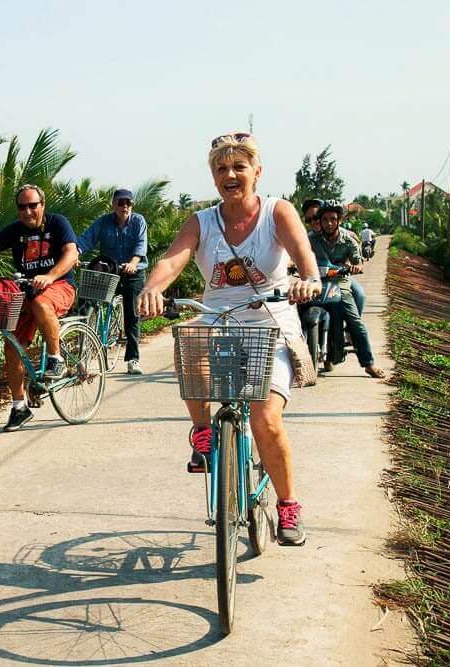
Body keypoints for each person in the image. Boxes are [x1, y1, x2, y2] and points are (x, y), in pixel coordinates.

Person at [138, 133, 322, 546]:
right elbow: (173, 259)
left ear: (257, 172)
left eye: (239, 166)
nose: (231, 175)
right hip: (218, 318)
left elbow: (303, 253)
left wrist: (308, 279)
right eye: (221, 168)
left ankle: (288, 504)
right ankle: (203, 432)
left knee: (264, 418)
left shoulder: (277, 212)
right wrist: (152, 288)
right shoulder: (202, 222)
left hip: (270, 320)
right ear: (213, 176)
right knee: (189, 338)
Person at [0, 184, 79, 432]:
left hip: (60, 285)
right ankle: (19, 407)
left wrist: (50, 276)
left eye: (33, 206)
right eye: (22, 207)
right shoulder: (14, 230)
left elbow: (71, 254)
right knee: (11, 345)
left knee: (41, 303)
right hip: (26, 291)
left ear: (42, 205)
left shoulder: (57, 223)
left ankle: (55, 359)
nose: (27, 211)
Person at [308, 201, 385, 378]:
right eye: (325, 219)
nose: (329, 223)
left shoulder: (348, 240)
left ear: (339, 221)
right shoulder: (311, 239)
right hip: (316, 282)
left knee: (355, 322)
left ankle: (369, 363)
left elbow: (358, 260)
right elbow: (298, 253)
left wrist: (356, 266)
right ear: (320, 221)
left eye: (333, 219)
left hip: (339, 283)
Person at [77, 188, 149, 375]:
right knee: (87, 301)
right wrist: (75, 253)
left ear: (132, 205)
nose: (125, 206)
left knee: (132, 314)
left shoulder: (138, 221)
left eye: (128, 203)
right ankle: (82, 353)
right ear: (113, 205)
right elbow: (86, 239)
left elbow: (141, 245)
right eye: (120, 203)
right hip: (110, 270)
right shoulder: (103, 222)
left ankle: (132, 359)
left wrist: (133, 263)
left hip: (133, 272)